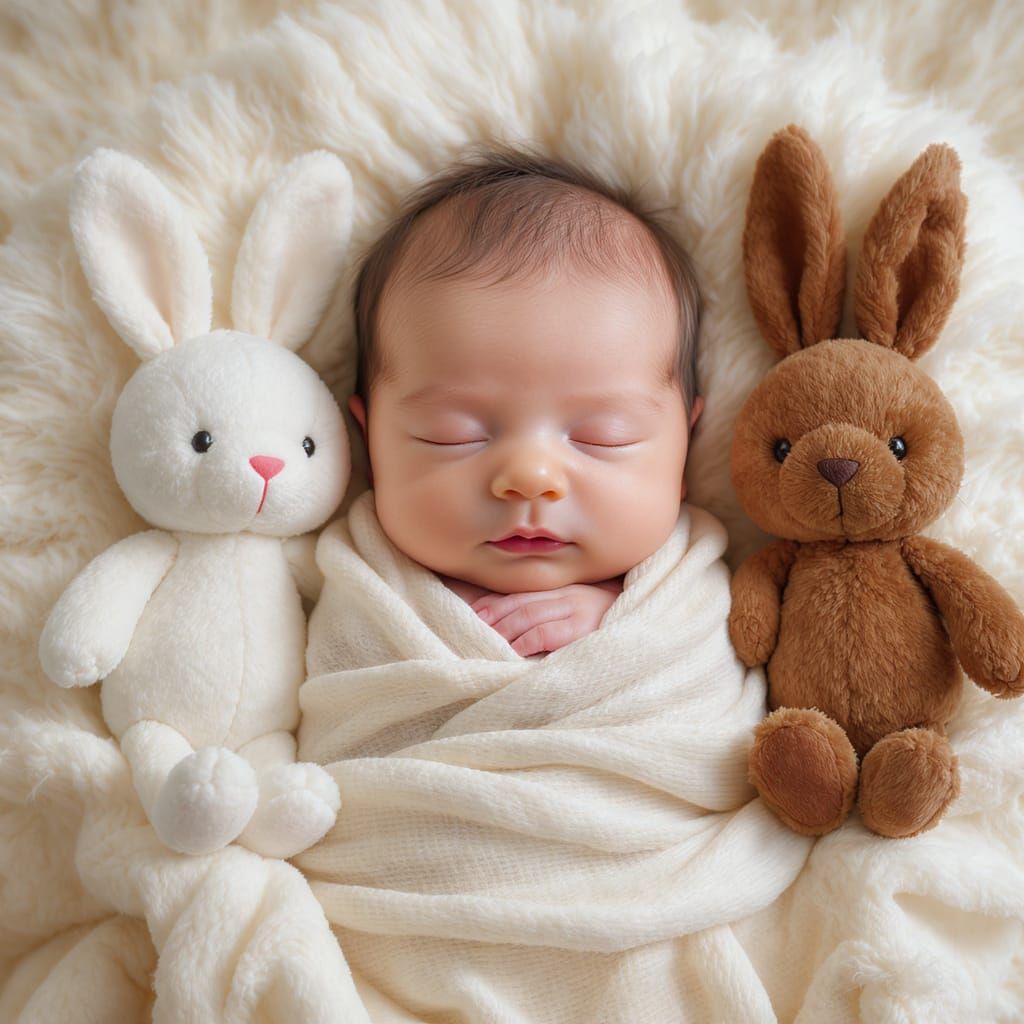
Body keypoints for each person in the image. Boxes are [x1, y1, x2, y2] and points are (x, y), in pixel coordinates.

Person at [346, 144, 704, 656]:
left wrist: (621, 619)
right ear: (368, 443)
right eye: (453, 435)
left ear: (685, 447)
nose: (530, 478)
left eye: (602, 437)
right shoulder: (364, 581)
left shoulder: (683, 590)